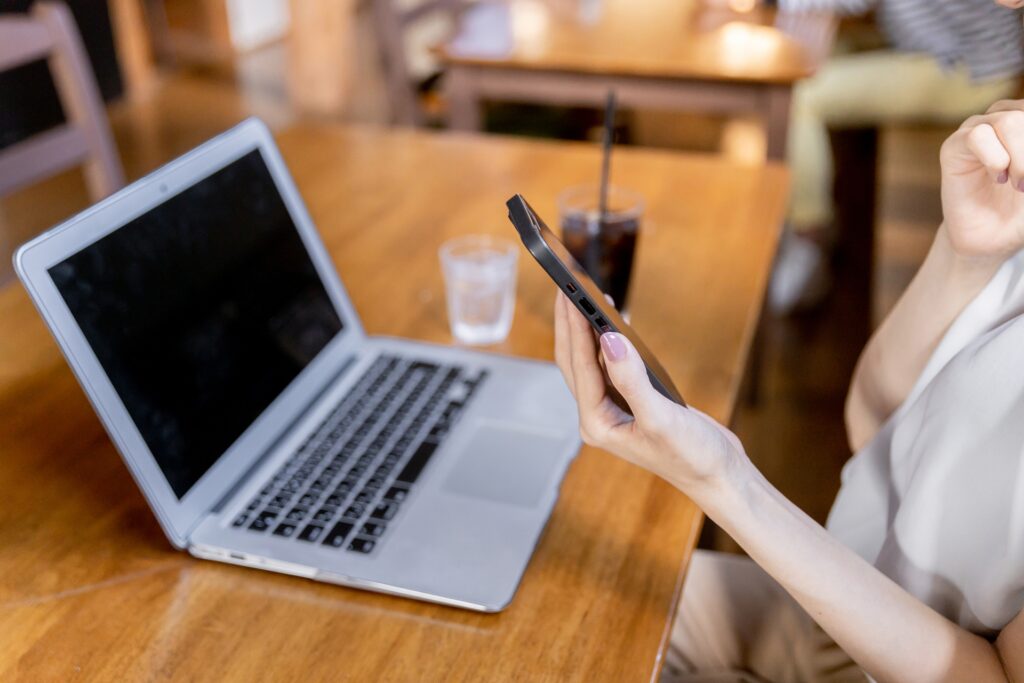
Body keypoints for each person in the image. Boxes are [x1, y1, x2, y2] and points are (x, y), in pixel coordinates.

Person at [552, 98, 1024, 682]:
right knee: (551, 610)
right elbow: (872, 422)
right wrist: (966, 253)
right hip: (846, 595)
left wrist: (724, 480)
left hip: (919, 658)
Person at [768, 0, 1024, 312]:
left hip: (964, 72)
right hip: (951, 59)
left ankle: (809, 237)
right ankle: (821, 203)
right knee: (830, 51)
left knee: (801, 97)